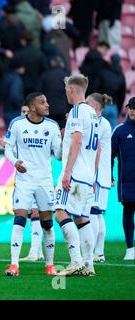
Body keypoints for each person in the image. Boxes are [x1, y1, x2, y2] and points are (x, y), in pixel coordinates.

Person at [4, 92, 61, 277]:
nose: (47, 105)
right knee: (19, 219)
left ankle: (50, 265)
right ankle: (14, 265)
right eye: (42, 102)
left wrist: (66, 138)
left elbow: (59, 155)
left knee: (47, 224)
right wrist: (15, 162)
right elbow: (8, 149)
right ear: (32, 107)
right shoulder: (18, 124)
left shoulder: (52, 127)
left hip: (44, 181)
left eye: (47, 101)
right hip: (24, 181)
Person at [54, 74, 100, 276]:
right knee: (82, 218)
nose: (65, 92)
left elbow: (77, 141)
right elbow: (97, 147)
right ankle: (89, 265)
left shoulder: (77, 112)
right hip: (88, 175)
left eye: (66, 89)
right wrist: (94, 177)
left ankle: (76, 261)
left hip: (75, 174)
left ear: (71, 89)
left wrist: (67, 172)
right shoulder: (92, 113)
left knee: (60, 212)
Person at [86, 93, 113, 263]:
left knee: (93, 213)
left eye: (87, 103)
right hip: (102, 175)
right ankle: (99, 252)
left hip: (96, 175)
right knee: (98, 214)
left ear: (95, 107)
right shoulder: (104, 123)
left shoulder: (98, 124)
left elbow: (96, 150)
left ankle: (94, 252)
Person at [111, 97, 135, 261]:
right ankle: (130, 248)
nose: (132, 110)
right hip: (127, 181)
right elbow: (109, 156)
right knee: (128, 212)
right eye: (130, 107)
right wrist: (109, 176)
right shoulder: (119, 131)